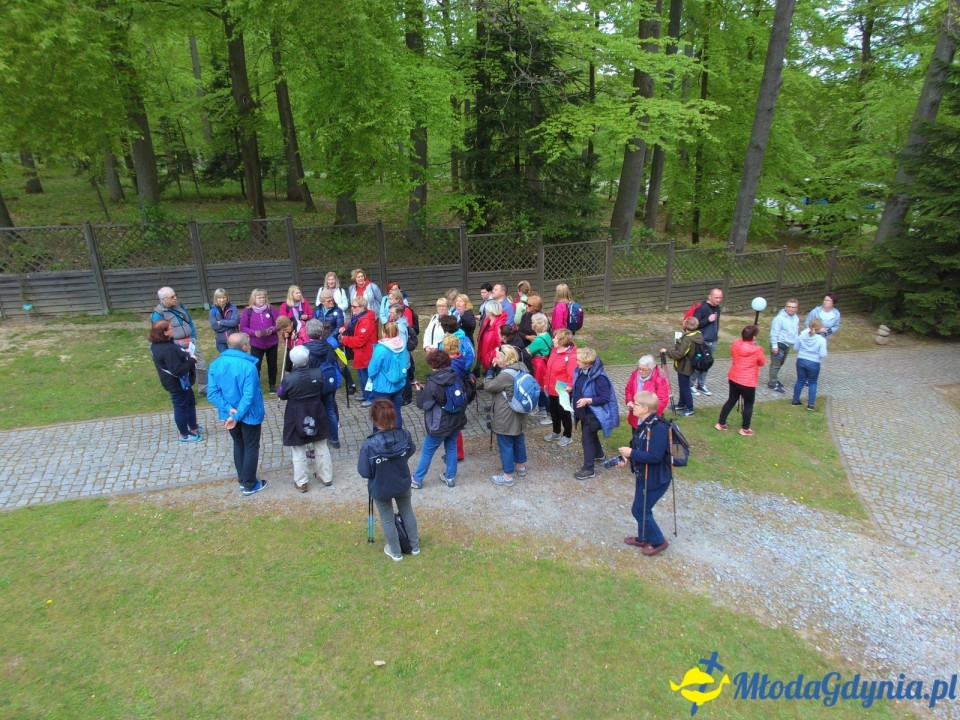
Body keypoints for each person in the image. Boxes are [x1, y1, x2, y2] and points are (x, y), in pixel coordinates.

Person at [357, 400, 420, 561]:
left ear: (375, 420)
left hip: (381, 486)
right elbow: (410, 451)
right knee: (407, 511)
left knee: (387, 517)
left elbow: (364, 471)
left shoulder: (369, 445)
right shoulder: (404, 435)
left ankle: (396, 552)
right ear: (393, 417)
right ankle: (415, 547)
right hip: (402, 481)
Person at [207, 332, 267, 496]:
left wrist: (228, 410)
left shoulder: (215, 364)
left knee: (239, 444)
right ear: (244, 347)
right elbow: (249, 396)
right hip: (248, 414)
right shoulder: (249, 366)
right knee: (250, 447)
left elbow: (212, 393)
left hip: (231, 414)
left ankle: (243, 479)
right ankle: (249, 484)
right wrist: (236, 414)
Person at [617, 391, 672, 556]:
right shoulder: (644, 424)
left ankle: (658, 541)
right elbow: (640, 448)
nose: (632, 405)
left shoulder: (659, 429)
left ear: (646, 408)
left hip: (656, 477)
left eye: (636, 403)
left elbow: (654, 456)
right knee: (642, 507)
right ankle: (642, 537)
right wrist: (626, 458)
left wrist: (631, 454)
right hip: (644, 474)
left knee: (640, 510)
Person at [277, 346, 333, 492]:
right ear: (307, 359)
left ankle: (301, 481)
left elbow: (281, 395)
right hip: (316, 410)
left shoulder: (288, 379)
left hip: (296, 412)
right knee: (321, 445)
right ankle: (326, 477)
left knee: (298, 448)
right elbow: (322, 387)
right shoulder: (318, 373)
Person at [411, 349, 468, 489]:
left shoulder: (433, 382)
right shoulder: (455, 377)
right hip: (455, 421)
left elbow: (424, 404)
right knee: (451, 447)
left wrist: (419, 392)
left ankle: (417, 479)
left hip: (439, 424)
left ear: (433, 364)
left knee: (427, 451)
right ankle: (450, 477)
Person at [482, 345, 528, 487]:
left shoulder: (505, 375)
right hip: (519, 412)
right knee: (518, 438)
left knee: (506, 443)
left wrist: (490, 370)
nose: (495, 358)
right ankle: (520, 466)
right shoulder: (522, 367)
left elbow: (488, 386)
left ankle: (507, 476)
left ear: (504, 359)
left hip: (506, 415)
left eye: (497, 356)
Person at [150, 319, 202, 443]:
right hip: (177, 383)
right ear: (165, 333)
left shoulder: (158, 345)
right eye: (170, 328)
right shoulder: (167, 349)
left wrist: (185, 353)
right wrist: (192, 360)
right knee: (180, 407)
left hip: (180, 382)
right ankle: (184, 434)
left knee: (189, 402)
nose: (173, 329)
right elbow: (177, 370)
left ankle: (193, 427)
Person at [571, 347, 620, 480]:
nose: (576, 362)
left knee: (586, 440)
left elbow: (605, 397)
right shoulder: (580, 371)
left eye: (579, 361)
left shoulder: (600, 378)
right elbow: (580, 387)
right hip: (583, 412)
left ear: (588, 363)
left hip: (593, 415)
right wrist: (570, 389)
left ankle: (589, 469)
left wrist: (589, 400)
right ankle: (599, 454)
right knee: (590, 435)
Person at [152, 286, 207, 395]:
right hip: (176, 344)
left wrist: (193, 335)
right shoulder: (158, 314)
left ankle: (204, 388)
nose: (175, 298)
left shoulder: (179, 306)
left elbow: (189, 320)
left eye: (175, 295)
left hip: (190, 340)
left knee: (200, 363)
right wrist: (172, 344)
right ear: (163, 299)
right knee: (184, 368)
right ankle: (186, 390)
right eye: (172, 297)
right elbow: (159, 333)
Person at [715, 325, 767, 436]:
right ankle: (745, 428)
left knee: (731, 400)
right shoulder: (756, 350)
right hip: (747, 381)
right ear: (753, 337)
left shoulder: (736, 344)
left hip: (734, 377)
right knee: (748, 404)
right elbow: (762, 362)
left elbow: (732, 353)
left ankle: (721, 423)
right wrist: (757, 348)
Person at [302, 319, 341, 449]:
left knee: (314, 412)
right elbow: (332, 360)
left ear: (308, 333)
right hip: (329, 380)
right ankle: (334, 439)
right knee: (330, 409)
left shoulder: (306, 349)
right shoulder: (328, 345)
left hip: (314, 383)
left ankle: (319, 440)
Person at [367, 321, 409, 427]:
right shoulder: (402, 345)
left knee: (379, 413)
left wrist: (371, 379)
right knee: (396, 411)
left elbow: (373, 368)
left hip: (382, 386)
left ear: (384, 332)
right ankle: (398, 434)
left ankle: (378, 436)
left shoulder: (381, 349)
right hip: (399, 383)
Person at [239, 288, 280, 393]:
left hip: (271, 342)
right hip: (256, 343)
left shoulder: (271, 309)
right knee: (256, 365)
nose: (262, 299)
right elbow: (243, 327)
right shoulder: (248, 311)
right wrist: (254, 333)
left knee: (272, 364)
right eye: (259, 297)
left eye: (263, 297)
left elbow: (279, 323)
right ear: (254, 298)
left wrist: (273, 330)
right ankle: (255, 385)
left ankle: (272, 385)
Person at [661, 316, 703, 417]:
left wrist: (666, 351)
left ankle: (690, 408)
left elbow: (679, 354)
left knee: (685, 388)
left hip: (685, 366)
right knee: (683, 386)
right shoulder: (697, 335)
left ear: (686, 326)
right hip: (687, 365)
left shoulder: (687, 340)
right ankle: (681, 404)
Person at [339, 295, 377, 407]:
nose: (352, 308)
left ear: (362, 308)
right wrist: (345, 328)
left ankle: (371, 397)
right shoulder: (357, 318)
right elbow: (353, 327)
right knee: (361, 375)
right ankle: (365, 395)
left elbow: (360, 340)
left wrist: (344, 339)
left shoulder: (366, 321)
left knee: (367, 376)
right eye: (352, 306)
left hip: (366, 353)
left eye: (355, 307)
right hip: (359, 353)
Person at [314, 290, 353, 395]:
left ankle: (351, 383)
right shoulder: (318, 311)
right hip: (321, 340)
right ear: (322, 302)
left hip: (334, 341)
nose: (331, 302)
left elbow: (339, 326)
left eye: (332, 299)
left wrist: (330, 337)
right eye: (328, 301)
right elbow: (315, 324)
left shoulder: (338, 310)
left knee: (340, 364)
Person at [543, 328, 577, 446]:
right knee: (554, 411)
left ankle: (568, 435)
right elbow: (549, 368)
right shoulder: (554, 351)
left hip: (562, 387)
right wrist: (546, 382)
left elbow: (571, 374)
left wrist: (569, 386)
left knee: (564, 412)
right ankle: (556, 432)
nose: (553, 340)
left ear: (562, 341)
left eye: (555, 338)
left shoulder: (571, 356)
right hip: (552, 385)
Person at [690, 288, 723, 395]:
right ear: (710, 297)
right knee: (698, 364)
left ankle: (701, 384)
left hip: (713, 341)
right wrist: (708, 320)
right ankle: (690, 385)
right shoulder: (702, 308)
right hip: (703, 341)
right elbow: (694, 324)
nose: (718, 300)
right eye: (716, 297)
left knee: (707, 364)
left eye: (720, 297)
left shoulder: (717, 308)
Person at [792, 318, 828, 410]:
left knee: (800, 380)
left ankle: (795, 400)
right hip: (814, 362)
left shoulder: (801, 336)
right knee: (813, 382)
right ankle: (810, 404)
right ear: (819, 328)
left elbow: (796, 348)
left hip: (801, 360)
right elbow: (822, 354)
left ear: (809, 326)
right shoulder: (821, 340)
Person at [767, 298, 800, 393]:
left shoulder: (796, 318)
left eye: (793, 307)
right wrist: (774, 346)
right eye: (789, 307)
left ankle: (774, 379)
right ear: (785, 307)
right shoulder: (779, 318)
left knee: (781, 363)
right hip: (779, 343)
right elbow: (774, 333)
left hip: (787, 344)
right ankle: (773, 383)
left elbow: (795, 332)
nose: (791, 309)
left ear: (796, 308)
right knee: (775, 364)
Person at [625, 354, 670, 422]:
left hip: (651, 418)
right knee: (636, 432)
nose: (640, 371)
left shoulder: (659, 380)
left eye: (644, 369)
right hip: (635, 417)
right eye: (639, 368)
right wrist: (629, 401)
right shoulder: (634, 375)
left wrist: (646, 412)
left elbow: (662, 401)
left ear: (651, 369)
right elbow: (628, 390)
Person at [526, 312, 553, 422]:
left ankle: (549, 414)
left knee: (542, 388)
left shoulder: (538, 340)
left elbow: (527, 351)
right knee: (542, 387)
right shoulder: (546, 335)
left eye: (532, 322)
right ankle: (542, 408)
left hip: (539, 366)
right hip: (544, 364)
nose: (531, 324)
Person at [475, 300, 507, 374]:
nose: (485, 311)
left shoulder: (498, 325)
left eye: (486, 309)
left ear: (490, 312)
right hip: (486, 353)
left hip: (492, 357)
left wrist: (494, 356)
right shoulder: (487, 321)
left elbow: (500, 343)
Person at [208, 288, 240, 355]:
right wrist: (229, 326)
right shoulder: (212, 311)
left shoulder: (233, 308)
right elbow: (215, 327)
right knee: (226, 359)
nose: (222, 300)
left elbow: (235, 322)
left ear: (227, 297)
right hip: (221, 341)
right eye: (219, 298)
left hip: (234, 340)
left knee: (235, 358)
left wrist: (221, 322)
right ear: (216, 298)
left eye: (223, 297)